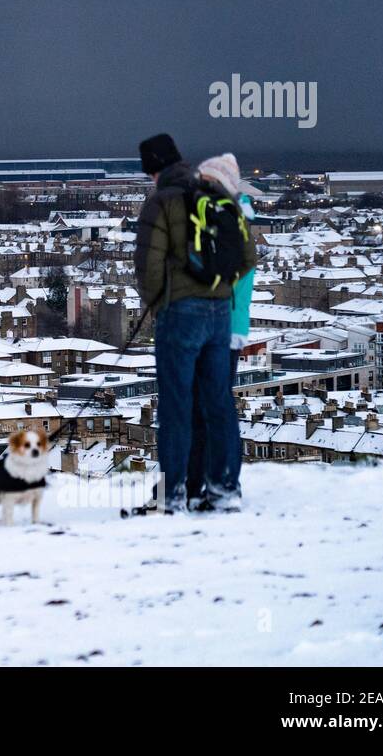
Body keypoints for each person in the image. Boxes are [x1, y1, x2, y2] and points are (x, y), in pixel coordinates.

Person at [133, 134, 256, 513]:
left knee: (177, 405)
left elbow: (148, 267)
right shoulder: (215, 196)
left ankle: (173, 495)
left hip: (180, 314)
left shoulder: (162, 201)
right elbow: (247, 255)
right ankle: (224, 489)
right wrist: (217, 289)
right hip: (220, 314)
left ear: (153, 170)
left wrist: (163, 305)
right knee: (218, 403)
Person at [185, 153, 256, 509]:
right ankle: (195, 483)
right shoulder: (219, 221)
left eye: (206, 182)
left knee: (214, 409)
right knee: (202, 409)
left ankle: (223, 485)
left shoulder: (229, 223)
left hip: (220, 328)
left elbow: (222, 279)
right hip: (214, 326)